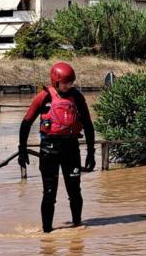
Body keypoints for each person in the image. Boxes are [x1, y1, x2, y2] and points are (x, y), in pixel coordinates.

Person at [18, 62, 95, 233]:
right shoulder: (43, 97)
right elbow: (26, 122)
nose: (69, 85)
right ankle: (47, 233)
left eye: (71, 82)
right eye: (65, 83)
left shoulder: (77, 97)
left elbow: (88, 125)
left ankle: (77, 228)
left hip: (71, 149)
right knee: (49, 193)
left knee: (74, 191)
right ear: (55, 81)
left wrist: (91, 152)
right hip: (49, 150)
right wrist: (22, 150)